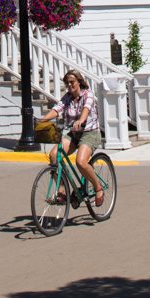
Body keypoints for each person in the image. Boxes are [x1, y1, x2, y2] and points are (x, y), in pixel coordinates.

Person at [38, 70, 104, 207]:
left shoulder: (88, 94)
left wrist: (81, 120)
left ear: (79, 82)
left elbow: (86, 109)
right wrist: (42, 120)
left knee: (81, 162)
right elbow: (57, 109)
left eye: (72, 82)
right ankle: (62, 190)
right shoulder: (67, 97)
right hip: (73, 133)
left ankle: (98, 188)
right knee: (54, 155)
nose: (69, 85)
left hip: (89, 133)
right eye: (67, 83)